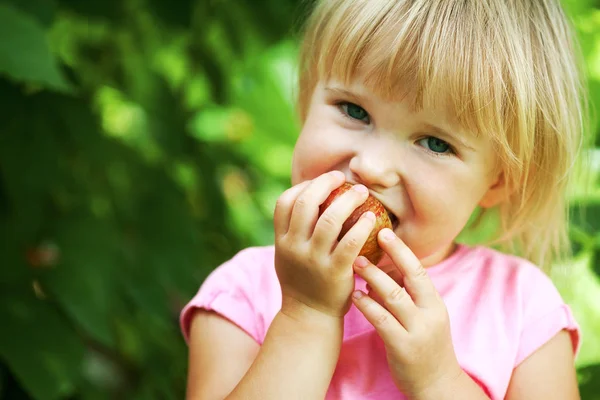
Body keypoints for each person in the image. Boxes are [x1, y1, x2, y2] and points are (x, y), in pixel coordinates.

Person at [180, 0, 588, 399]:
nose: (372, 166)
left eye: (434, 143)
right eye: (354, 110)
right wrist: (306, 314)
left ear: (499, 181)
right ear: (306, 100)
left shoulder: (521, 308)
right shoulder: (244, 292)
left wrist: (438, 382)